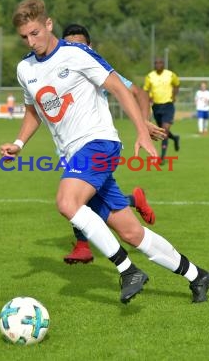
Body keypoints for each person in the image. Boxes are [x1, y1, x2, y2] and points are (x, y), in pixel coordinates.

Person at [0, 0, 209, 304]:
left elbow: (119, 88)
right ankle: (197, 276)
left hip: (99, 143)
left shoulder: (77, 53)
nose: (31, 41)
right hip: (74, 155)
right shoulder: (25, 69)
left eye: (35, 32)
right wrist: (18, 144)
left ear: (48, 24)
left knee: (66, 201)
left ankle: (127, 270)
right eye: (24, 37)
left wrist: (142, 130)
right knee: (131, 233)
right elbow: (34, 109)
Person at [61, 23, 162, 264]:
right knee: (91, 199)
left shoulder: (96, 67)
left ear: (90, 46)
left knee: (74, 199)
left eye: (80, 44)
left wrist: (143, 122)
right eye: (69, 45)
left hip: (95, 144)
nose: (74, 49)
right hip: (68, 145)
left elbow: (138, 92)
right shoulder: (57, 70)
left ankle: (84, 247)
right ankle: (133, 200)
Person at [144, 58, 181, 164]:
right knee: (161, 131)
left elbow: (177, 84)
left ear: (164, 64)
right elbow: (146, 89)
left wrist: (174, 96)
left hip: (168, 105)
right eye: (156, 63)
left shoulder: (170, 74)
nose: (158, 64)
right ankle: (175, 138)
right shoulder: (150, 76)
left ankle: (162, 157)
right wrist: (149, 97)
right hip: (156, 106)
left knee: (164, 130)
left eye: (160, 63)